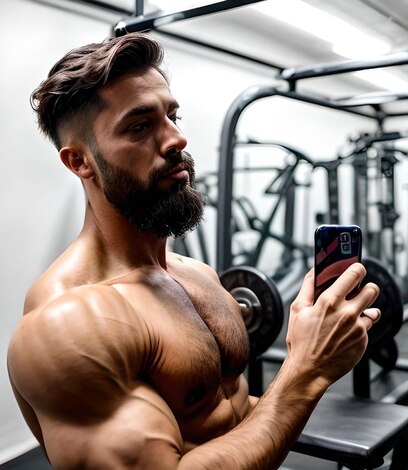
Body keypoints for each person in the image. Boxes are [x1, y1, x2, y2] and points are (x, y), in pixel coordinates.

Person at [7, 33, 381, 469]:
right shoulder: (69, 325)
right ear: (80, 162)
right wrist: (307, 370)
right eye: (140, 126)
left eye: (173, 116)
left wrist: (315, 343)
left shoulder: (196, 274)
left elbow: (227, 413)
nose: (176, 140)